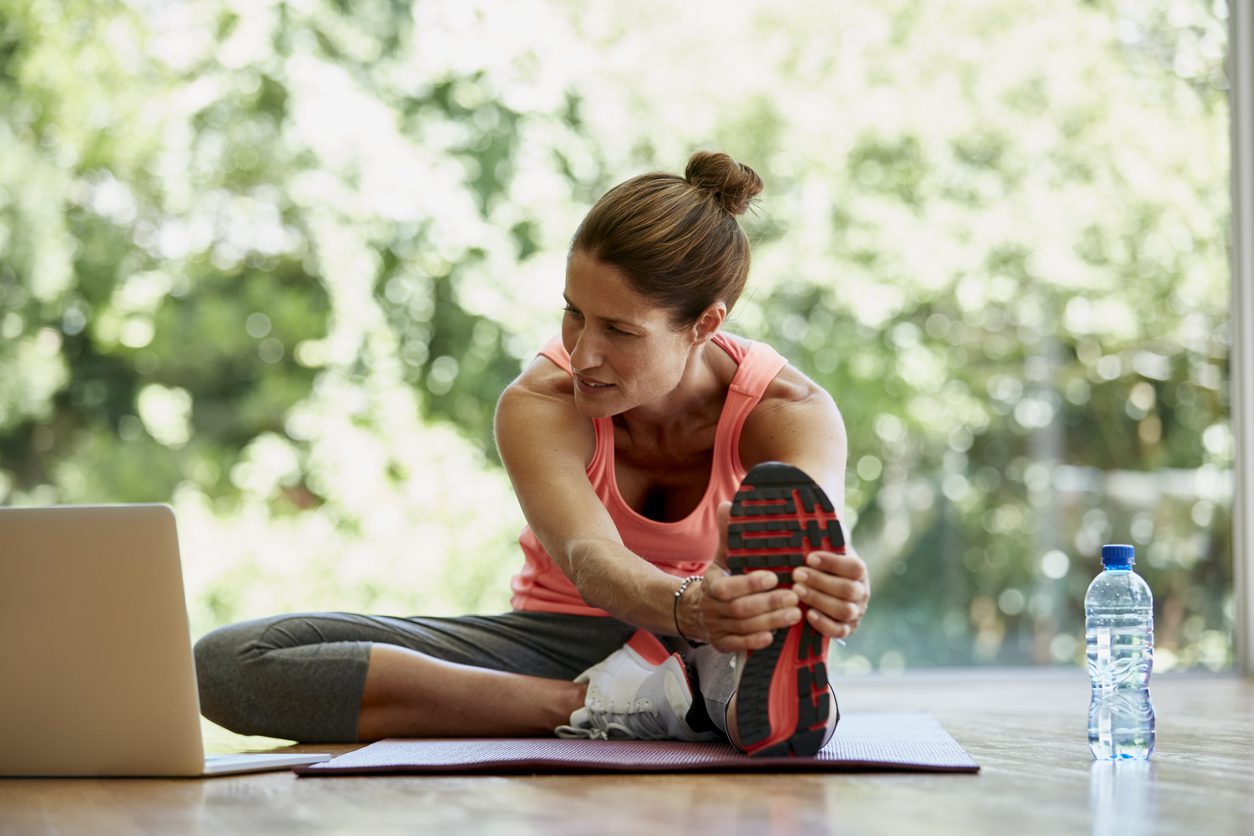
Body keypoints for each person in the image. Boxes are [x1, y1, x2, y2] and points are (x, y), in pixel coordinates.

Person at [194, 151, 871, 757]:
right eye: (573, 312)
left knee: (757, 603)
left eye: (618, 330)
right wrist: (686, 604)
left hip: (718, 638)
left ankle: (714, 683)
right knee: (226, 664)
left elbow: (812, 547)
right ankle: (632, 706)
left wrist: (822, 586)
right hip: (552, 646)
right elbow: (590, 560)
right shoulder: (541, 400)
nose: (582, 354)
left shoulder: (790, 412)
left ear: (704, 325)